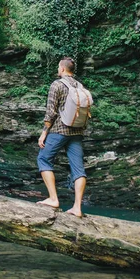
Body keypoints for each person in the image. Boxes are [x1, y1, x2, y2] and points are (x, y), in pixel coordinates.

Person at [37, 57, 87, 217]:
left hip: (60, 130)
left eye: (59, 67)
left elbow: (51, 111)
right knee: (78, 169)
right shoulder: (80, 86)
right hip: (77, 132)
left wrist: (44, 132)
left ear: (63, 69)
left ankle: (53, 199)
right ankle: (77, 208)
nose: (58, 70)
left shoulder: (57, 84)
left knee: (44, 159)